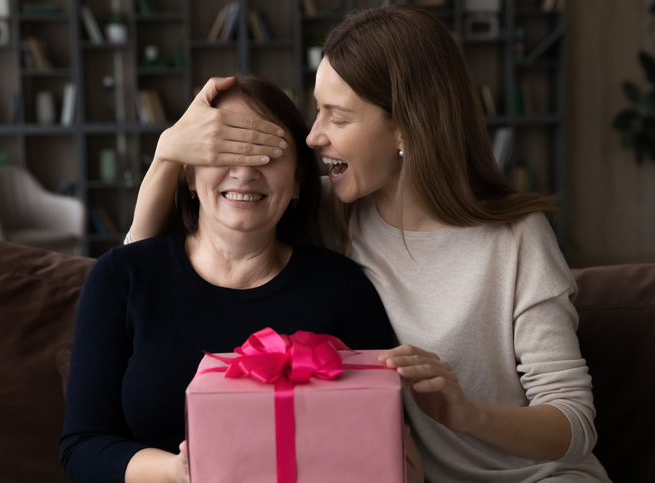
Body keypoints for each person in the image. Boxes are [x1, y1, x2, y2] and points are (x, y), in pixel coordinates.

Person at [125, 5, 612, 482]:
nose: (313, 136)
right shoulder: (326, 211)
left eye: (337, 117)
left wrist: (466, 414)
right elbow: (141, 274)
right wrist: (167, 155)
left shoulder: (516, 236)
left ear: (404, 125)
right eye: (318, 111)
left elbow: (573, 423)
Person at [59, 76, 400, 483]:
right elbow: (82, 448)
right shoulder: (120, 277)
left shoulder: (344, 289)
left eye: (268, 154)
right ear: (187, 176)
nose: (245, 170)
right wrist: (178, 471)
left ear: (297, 184)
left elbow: (381, 431)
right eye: (224, 148)